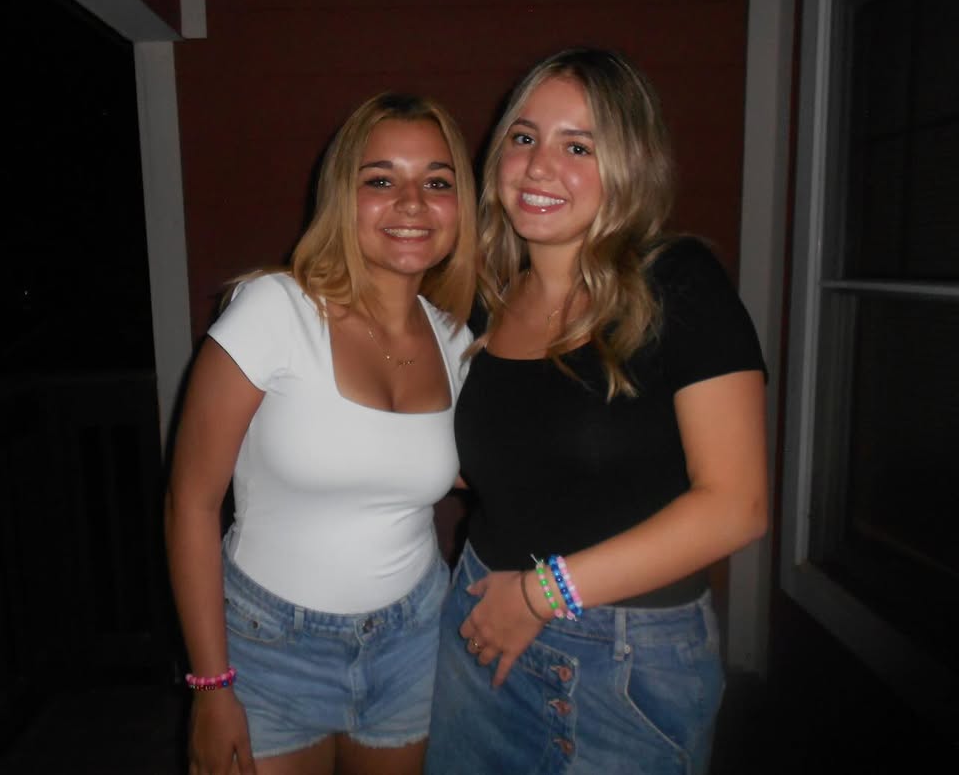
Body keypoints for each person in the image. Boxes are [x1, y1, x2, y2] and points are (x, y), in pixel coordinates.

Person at [424, 47, 768, 774]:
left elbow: (736, 506)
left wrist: (539, 595)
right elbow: (484, 463)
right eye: (524, 137)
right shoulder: (484, 299)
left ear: (629, 165)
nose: (539, 166)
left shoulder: (677, 282)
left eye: (578, 146)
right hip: (480, 621)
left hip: (623, 662)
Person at [165, 91, 477, 775]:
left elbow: (484, 471)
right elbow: (190, 503)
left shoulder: (457, 342)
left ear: (462, 206)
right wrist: (210, 686)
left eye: (436, 182)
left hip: (414, 643)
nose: (412, 203)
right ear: (342, 197)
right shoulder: (273, 310)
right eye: (381, 180)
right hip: (267, 649)